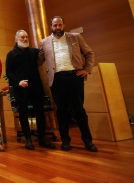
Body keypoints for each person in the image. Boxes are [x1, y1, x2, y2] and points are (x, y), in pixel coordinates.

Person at [39, 16, 98, 152]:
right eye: (55, 25)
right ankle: (65, 140)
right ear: (51, 26)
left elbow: (89, 53)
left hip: (74, 77)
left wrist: (87, 70)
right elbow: (38, 60)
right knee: (61, 111)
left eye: (60, 25)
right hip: (57, 80)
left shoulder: (75, 37)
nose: (58, 28)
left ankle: (88, 141)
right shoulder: (44, 42)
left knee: (79, 110)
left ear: (64, 25)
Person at [5, 30, 56, 150]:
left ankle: (42, 138)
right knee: (23, 113)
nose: (25, 39)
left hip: (35, 87)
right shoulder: (11, 54)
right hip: (20, 88)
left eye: (26, 37)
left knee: (40, 112)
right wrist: (18, 82)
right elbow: (8, 72)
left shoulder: (34, 52)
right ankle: (28, 139)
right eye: (22, 37)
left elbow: (45, 54)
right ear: (16, 39)